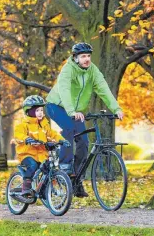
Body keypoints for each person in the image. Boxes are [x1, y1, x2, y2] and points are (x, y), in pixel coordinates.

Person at [46, 42, 124, 198]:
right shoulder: (68, 70)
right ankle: (65, 165)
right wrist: (72, 111)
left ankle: (76, 179)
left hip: (76, 112)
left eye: (88, 56)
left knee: (84, 142)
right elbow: (64, 90)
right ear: (75, 58)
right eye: (83, 56)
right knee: (69, 128)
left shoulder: (93, 71)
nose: (87, 59)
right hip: (56, 106)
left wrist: (116, 109)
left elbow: (103, 89)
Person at [14, 95, 71, 195]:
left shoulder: (44, 124)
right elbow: (18, 135)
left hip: (42, 154)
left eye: (41, 110)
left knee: (49, 168)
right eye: (37, 111)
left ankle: (45, 189)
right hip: (27, 154)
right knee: (32, 166)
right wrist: (27, 139)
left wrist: (62, 140)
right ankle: (26, 187)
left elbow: (53, 133)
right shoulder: (23, 125)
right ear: (30, 112)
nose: (40, 112)